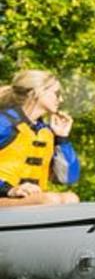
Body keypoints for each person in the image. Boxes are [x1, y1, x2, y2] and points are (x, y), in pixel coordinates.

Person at [0, 70, 81, 206]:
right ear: (37, 92)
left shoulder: (45, 131)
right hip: (5, 197)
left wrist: (62, 138)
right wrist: (9, 189)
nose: (60, 100)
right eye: (56, 94)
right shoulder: (4, 123)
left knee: (71, 198)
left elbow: (68, 178)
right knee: (49, 201)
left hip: (24, 204)